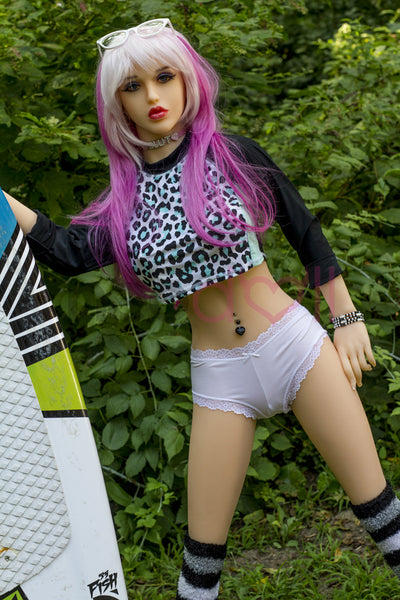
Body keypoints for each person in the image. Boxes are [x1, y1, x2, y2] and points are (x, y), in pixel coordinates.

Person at [4, 18, 400, 599]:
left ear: (188, 79)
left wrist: (346, 317)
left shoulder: (230, 155)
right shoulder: (125, 200)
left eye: (164, 77)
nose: (153, 96)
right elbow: (68, 252)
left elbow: (303, 227)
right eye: (133, 86)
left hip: (293, 347)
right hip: (220, 375)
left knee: (382, 515)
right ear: (117, 104)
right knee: (201, 562)